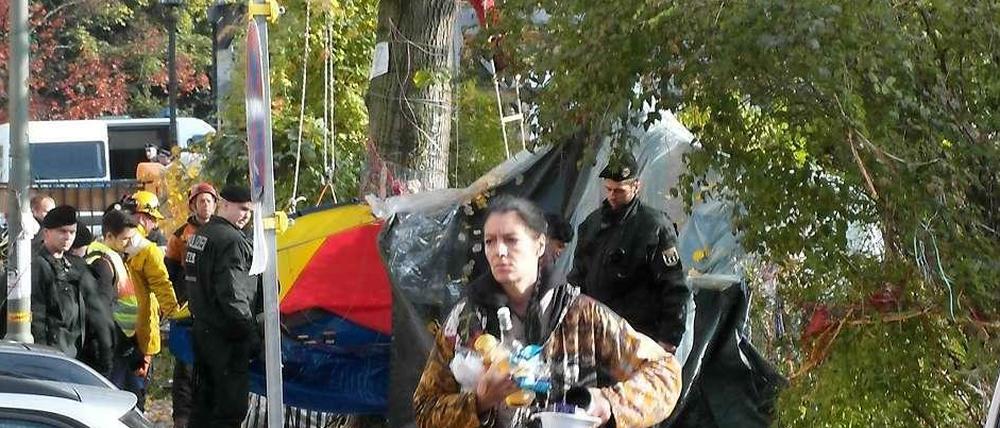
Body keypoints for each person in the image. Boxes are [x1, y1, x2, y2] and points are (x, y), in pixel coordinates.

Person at [413, 196, 682, 428]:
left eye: (511, 240)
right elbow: (424, 408)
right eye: (490, 242)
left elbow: (666, 374)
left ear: (540, 245)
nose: (499, 251)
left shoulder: (580, 315)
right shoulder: (466, 320)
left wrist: (609, 403)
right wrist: (479, 401)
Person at [568, 151, 689, 354]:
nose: (612, 196)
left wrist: (668, 340)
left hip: (639, 339)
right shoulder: (591, 225)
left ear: (636, 186)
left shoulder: (655, 227)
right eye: (608, 189)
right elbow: (577, 279)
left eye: (619, 191)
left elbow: (674, 288)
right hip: (596, 337)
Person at [186, 185, 259, 428]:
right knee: (228, 411)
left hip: (204, 333)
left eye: (249, 211)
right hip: (227, 339)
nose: (246, 215)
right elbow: (233, 294)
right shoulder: (231, 240)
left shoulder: (200, 234)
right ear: (224, 204)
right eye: (241, 209)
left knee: (204, 406)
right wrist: (249, 335)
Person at [164, 182, 217, 428]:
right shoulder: (180, 235)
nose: (205, 205)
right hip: (188, 301)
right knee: (185, 363)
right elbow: (170, 270)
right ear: (193, 204)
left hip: (215, 303)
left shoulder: (221, 230)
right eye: (201, 201)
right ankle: (182, 416)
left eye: (209, 201)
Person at [30, 205, 85, 357]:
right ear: (46, 233)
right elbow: (37, 316)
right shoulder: (39, 265)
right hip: (51, 353)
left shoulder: (69, 265)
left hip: (69, 350)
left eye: (72, 232)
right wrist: (42, 354)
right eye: (62, 231)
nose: (68, 237)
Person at [69, 226, 116, 378]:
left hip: (91, 347)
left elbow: (99, 313)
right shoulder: (98, 262)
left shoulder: (95, 266)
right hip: (92, 345)